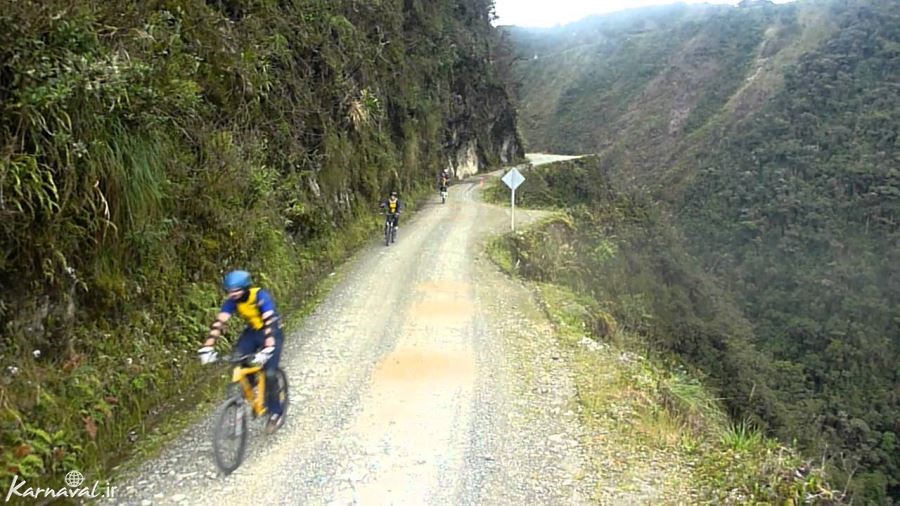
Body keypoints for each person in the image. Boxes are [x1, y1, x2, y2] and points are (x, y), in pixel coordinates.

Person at [198, 270, 285, 433]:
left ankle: (276, 412)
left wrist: (268, 347)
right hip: (251, 333)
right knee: (237, 359)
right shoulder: (232, 301)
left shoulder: (260, 296)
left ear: (245, 288)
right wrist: (207, 346)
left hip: (272, 333)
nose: (233, 294)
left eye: (237, 291)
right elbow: (219, 322)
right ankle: (249, 388)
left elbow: (269, 320)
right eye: (230, 291)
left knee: (270, 373)